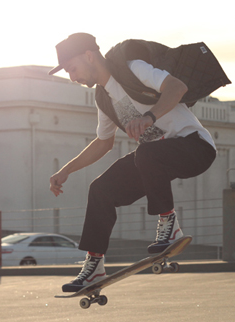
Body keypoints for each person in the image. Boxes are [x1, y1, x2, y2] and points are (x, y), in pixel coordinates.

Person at [48, 33, 216, 292]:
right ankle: (94, 266)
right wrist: (66, 170)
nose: (72, 77)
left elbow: (177, 87)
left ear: (89, 56)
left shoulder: (132, 69)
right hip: (156, 158)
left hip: (195, 146)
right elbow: (104, 142)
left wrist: (150, 117)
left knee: (148, 153)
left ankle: (169, 225)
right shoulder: (104, 99)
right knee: (100, 189)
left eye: (72, 68)